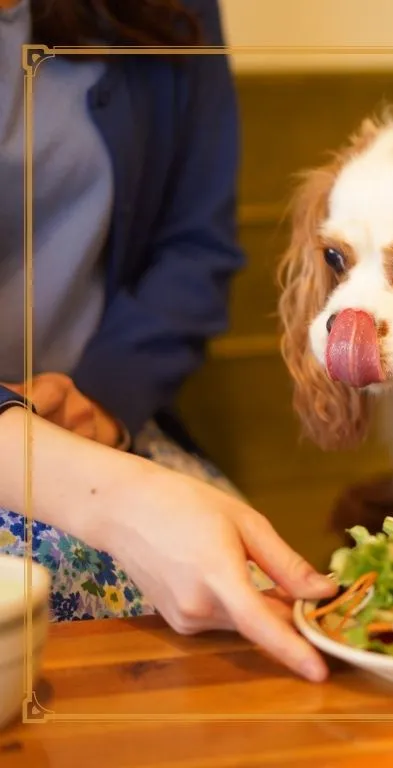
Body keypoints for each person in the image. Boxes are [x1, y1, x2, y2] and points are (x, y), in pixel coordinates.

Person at [0, 0, 268, 621]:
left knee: (246, 594)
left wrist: (102, 405)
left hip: (102, 425)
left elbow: (194, 250)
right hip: (57, 460)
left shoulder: (174, 11)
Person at [0, 385, 336, 682]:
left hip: (110, 408)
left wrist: (106, 406)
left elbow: (165, 317)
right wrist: (118, 496)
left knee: (238, 584)